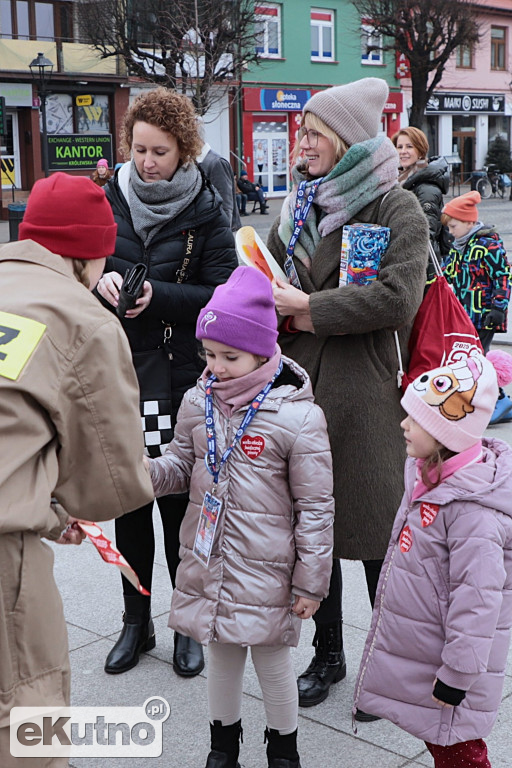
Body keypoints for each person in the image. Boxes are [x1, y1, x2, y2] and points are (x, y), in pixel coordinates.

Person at [266, 77, 429, 712]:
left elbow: (398, 299)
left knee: (375, 537)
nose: (300, 144)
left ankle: (387, 665)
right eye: (300, 132)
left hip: (365, 394)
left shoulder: (396, 207)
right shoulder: (296, 207)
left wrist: (312, 307)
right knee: (318, 533)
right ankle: (328, 653)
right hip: (301, 390)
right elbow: (269, 276)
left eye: (312, 134)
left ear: (345, 140)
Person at [146, 266, 334, 768]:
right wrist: (138, 472)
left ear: (262, 349)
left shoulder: (297, 416)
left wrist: (310, 583)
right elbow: (179, 467)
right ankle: (222, 746)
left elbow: (315, 507)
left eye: (230, 356)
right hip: (210, 560)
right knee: (221, 657)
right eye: (209, 355)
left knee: (273, 664)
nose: (217, 367)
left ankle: (284, 750)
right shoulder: (196, 401)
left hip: (269, 570)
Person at [0, 172, 154, 767]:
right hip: (5, 556)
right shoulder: (83, 318)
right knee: (26, 712)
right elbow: (109, 479)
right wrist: (62, 508)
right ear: (92, 256)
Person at [96, 87, 237, 678]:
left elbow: (225, 295)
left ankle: (186, 623)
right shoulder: (110, 199)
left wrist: (160, 298)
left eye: (160, 150)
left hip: (181, 381)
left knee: (180, 506)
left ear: (185, 150)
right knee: (130, 502)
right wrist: (98, 280)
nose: (147, 161)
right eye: (139, 148)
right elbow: (84, 263)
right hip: (123, 378)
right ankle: (136, 620)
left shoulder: (205, 210)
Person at [354, 350, 512, 768]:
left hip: (454, 667)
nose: (403, 424)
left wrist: (457, 676)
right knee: (443, 744)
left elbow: (478, 601)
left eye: (416, 419)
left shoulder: (472, 512)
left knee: (459, 752)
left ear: (446, 433)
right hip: (429, 649)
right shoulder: (429, 473)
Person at [442, 191, 512, 424]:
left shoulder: (488, 245)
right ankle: (494, 400)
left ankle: (499, 399)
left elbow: (503, 275)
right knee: (473, 356)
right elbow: (448, 273)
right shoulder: (460, 246)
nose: (450, 232)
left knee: (479, 358)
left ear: (469, 222)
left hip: (485, 313)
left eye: (453, 226)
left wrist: (499, 307)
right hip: (465, 314)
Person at [392, 127, 451, 262]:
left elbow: (425, 233)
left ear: (420, 151)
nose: (403, 152)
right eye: (399, 147)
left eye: (409, 146)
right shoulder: (401, 180)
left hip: (420, 265)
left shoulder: (426, 188)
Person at [197, 140, 241, 231]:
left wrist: (222, 238)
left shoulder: (216, 163)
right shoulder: (197, 163)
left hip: (219, 236)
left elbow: (225, 206)